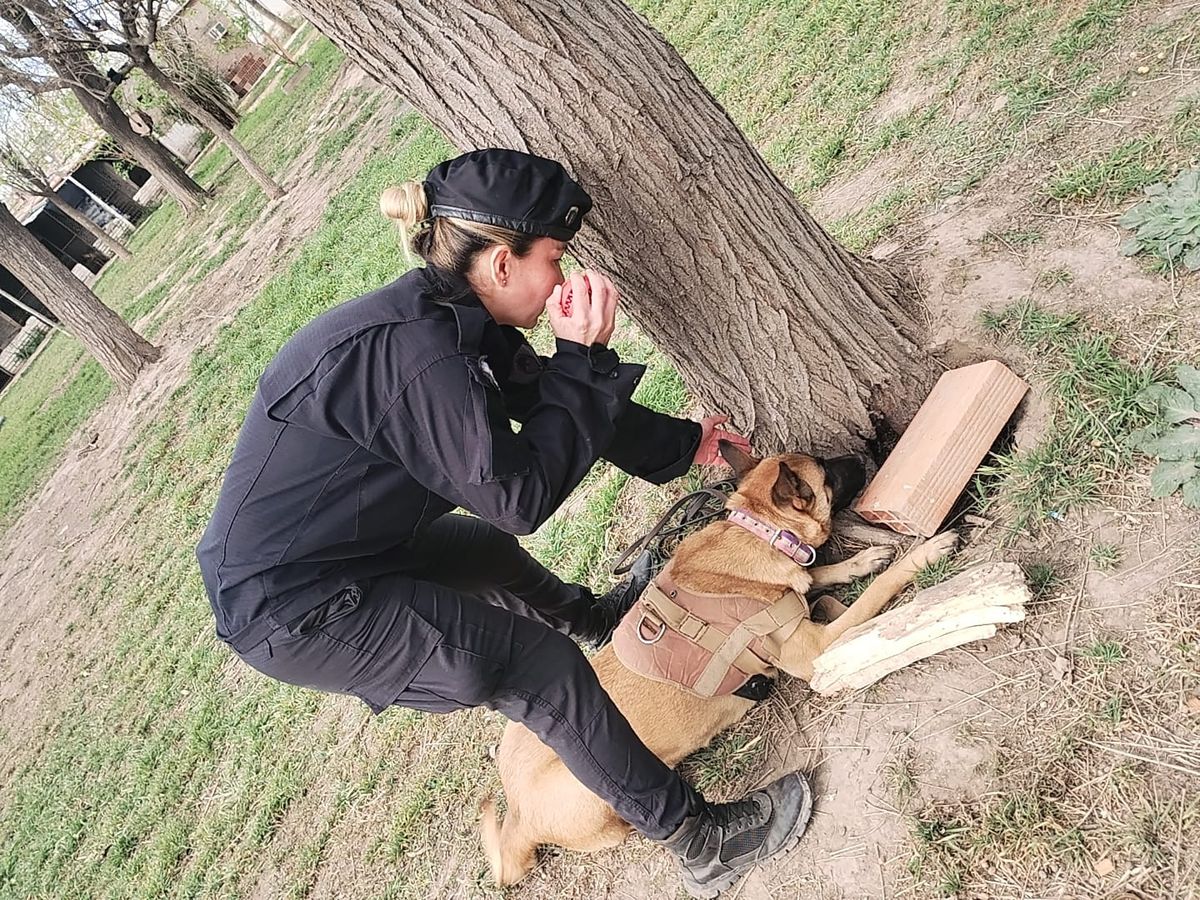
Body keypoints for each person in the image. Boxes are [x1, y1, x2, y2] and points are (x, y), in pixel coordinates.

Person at [196, 148, 813, 896]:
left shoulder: (449, 319)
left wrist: (685, 444)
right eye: (555, 258)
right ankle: (701, 840)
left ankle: (599, 617)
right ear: (499, 262)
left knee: (477, 549)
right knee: (538, 673)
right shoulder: (419, 357)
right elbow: (519, 497)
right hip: (299, 608)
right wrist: (582, 356)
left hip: (343, 551)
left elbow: (542, 395)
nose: (563, 278)